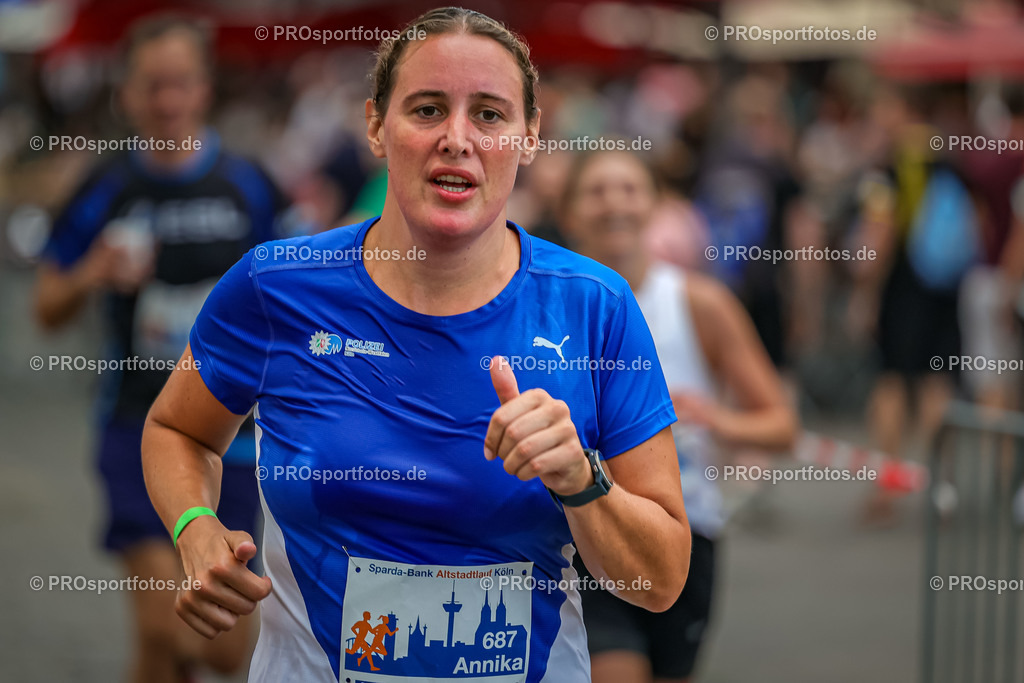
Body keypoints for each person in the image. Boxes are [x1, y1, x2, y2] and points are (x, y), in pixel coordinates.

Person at [140, 8, 690, 683]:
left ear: (529, 136)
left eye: (489, 115)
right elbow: (177, 428)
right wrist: (196, 526)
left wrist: (582, 479)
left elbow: (659, 581)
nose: (456, 139)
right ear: (376, 124)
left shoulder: (595, 305)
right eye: (427, 109)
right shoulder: (275, 287)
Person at [33, 15, 292, 683]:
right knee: (166, 625)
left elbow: (301, 289)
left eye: (180, 83)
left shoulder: (250, 184)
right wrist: (92, 272)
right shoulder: (107, 186)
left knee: (220, 650)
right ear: (128, 93)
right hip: (136, 426)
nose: (167, 101)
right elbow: (46, 309)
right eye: (152, 86)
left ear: (205, 89)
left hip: (234, 440)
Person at [560, 149, 798, 683]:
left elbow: (781, 425)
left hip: (686, 533)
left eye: (629, 189)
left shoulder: (699, 303)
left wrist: (716, 419)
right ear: (571, 211)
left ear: (655, 206)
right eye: (597, 191)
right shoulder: (552, 302)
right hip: (584, 529)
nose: (614, 204)